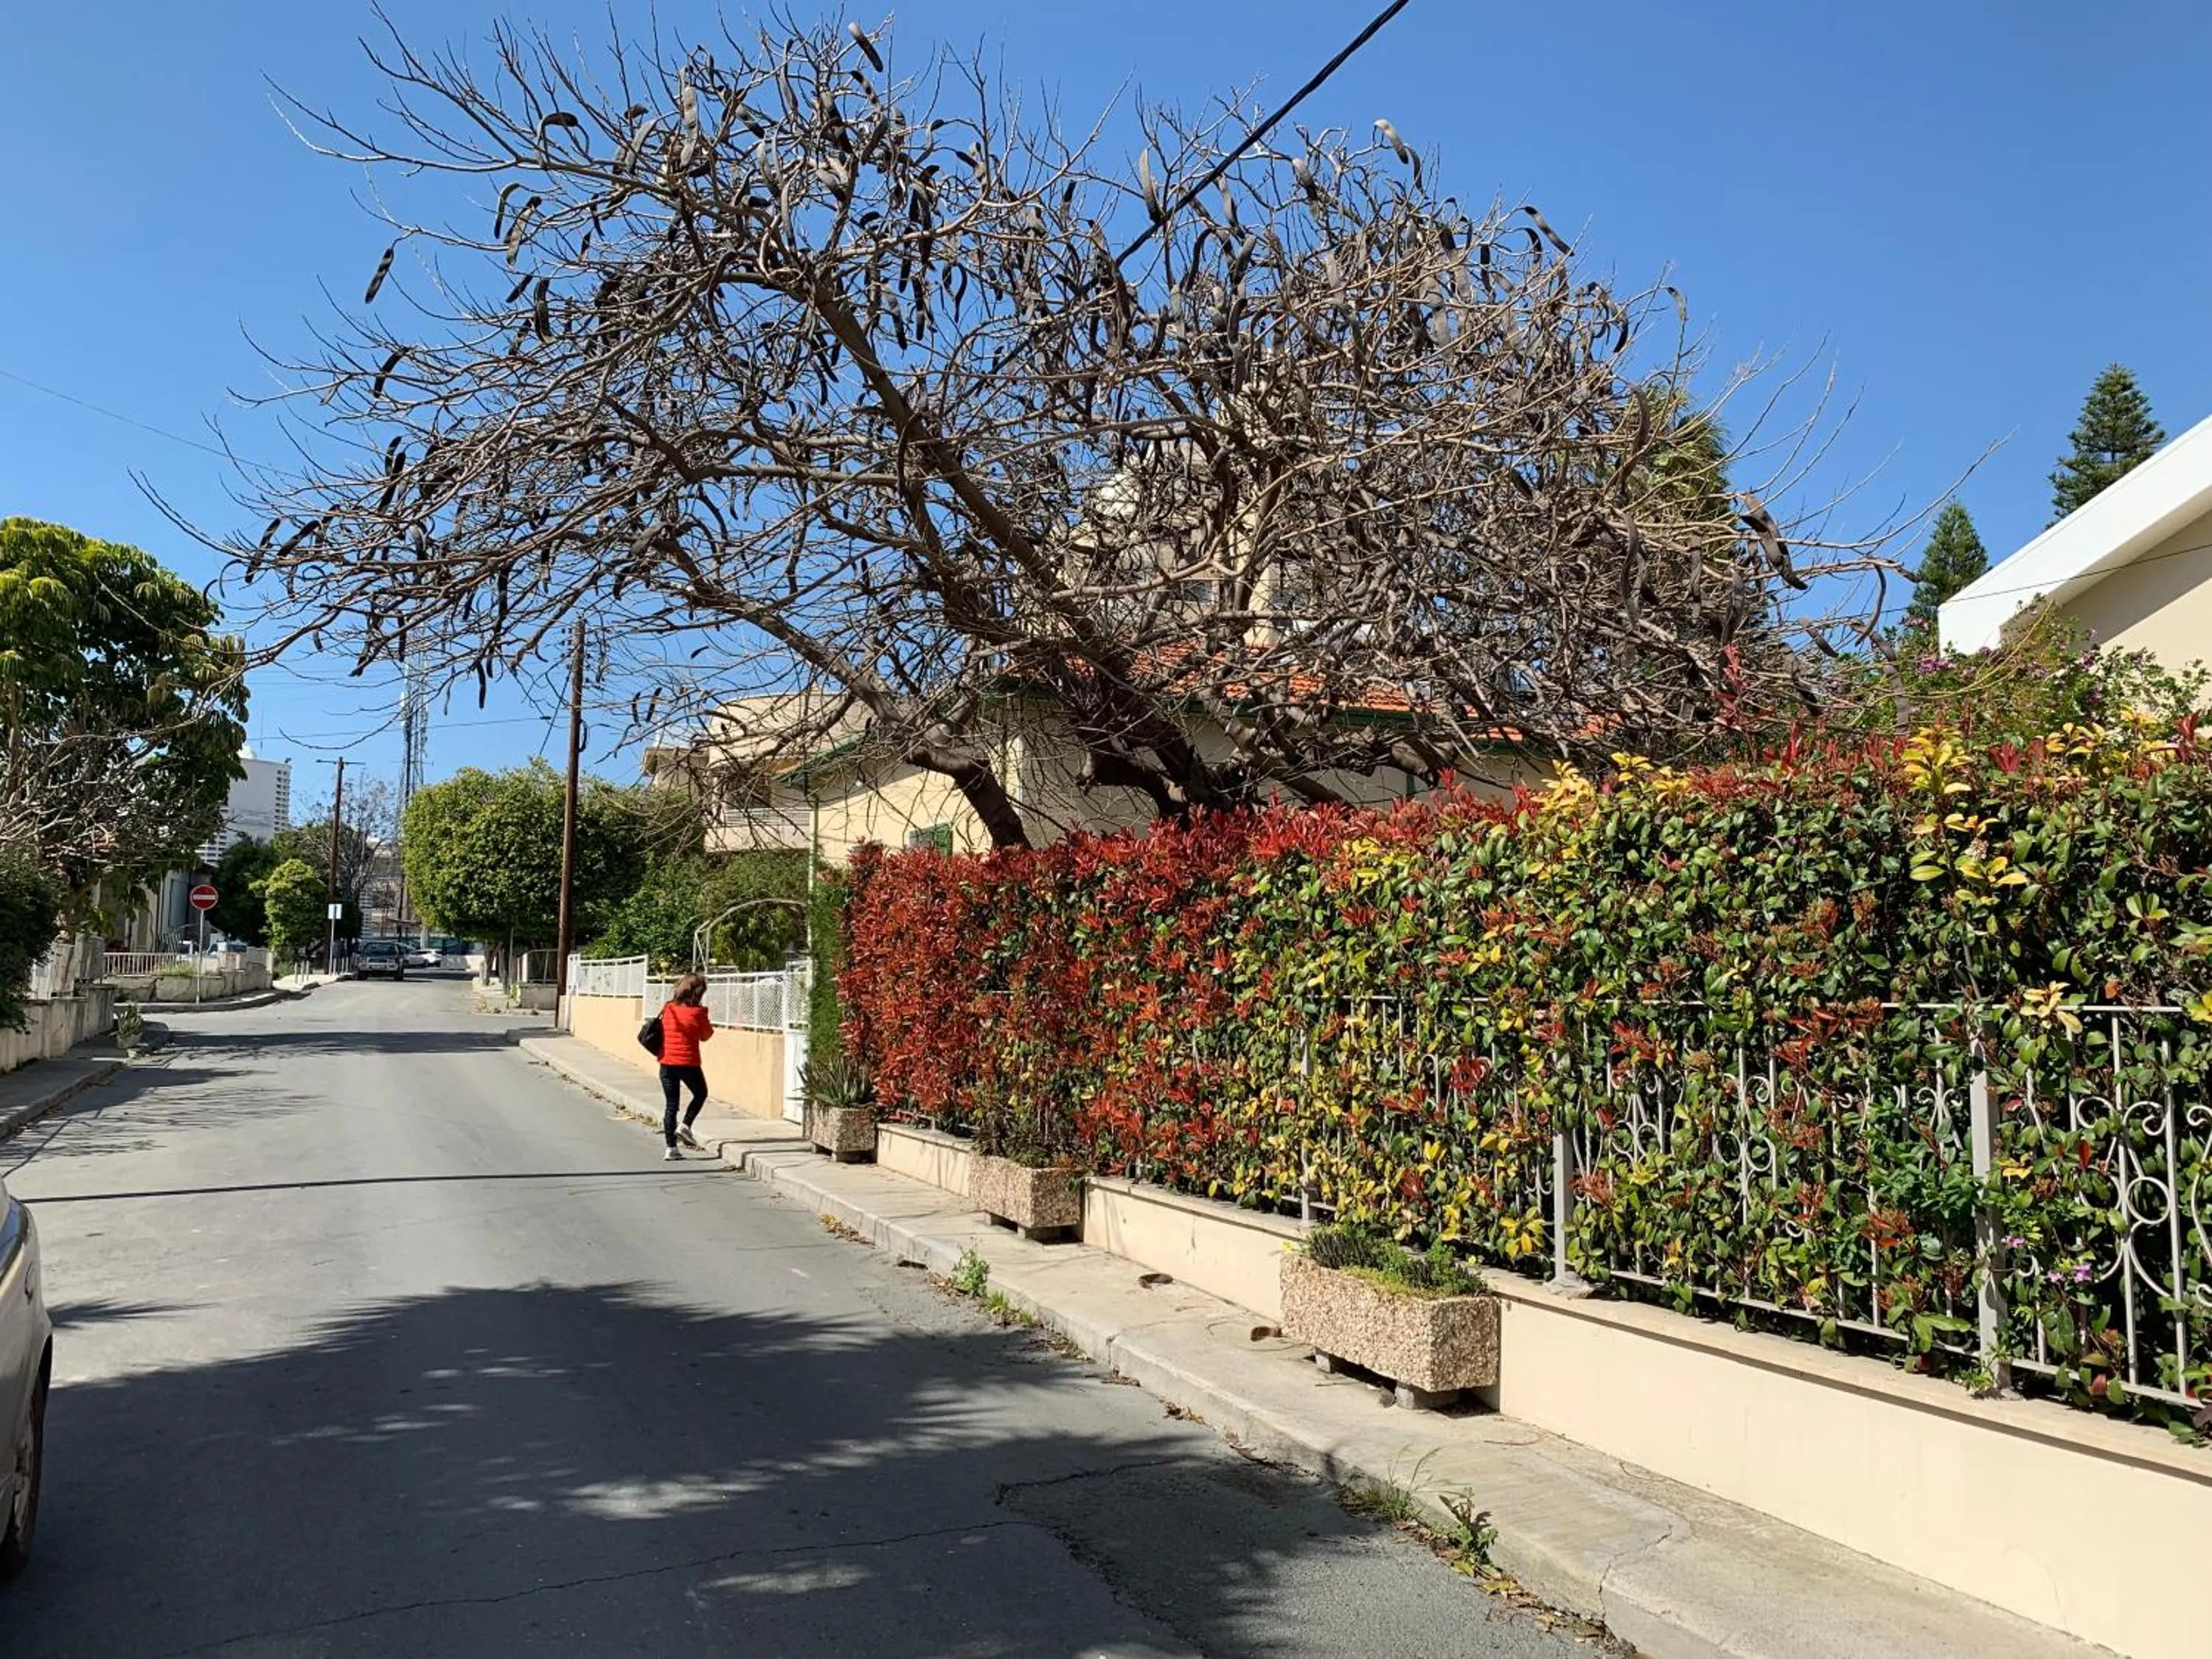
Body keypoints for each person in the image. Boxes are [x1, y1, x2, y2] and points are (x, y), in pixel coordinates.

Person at [656, 973, 714, 1160]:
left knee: (671, 1106)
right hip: (688, 1062)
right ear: (698, 992)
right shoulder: (699, 1012)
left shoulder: (668, 1007)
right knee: (701, 1093)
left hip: (666, 1062)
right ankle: (685, 1126)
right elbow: (706, 1036)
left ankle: (671, 1148)